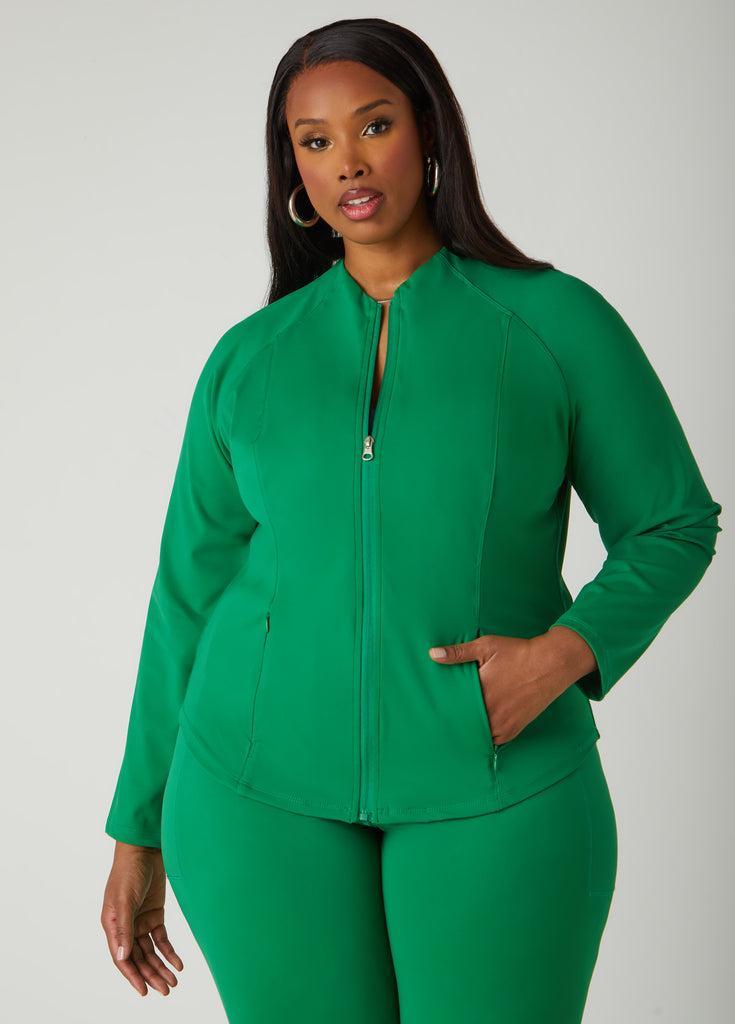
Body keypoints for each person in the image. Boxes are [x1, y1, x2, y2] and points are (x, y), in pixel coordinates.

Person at [100, 17, 723, 1024]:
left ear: (429, 131)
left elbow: (673, 522)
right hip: (252, 795)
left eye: (374, 124)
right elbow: (188, 595)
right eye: (314, 140)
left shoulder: (554, 323)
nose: (347, 160)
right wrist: (138, 828)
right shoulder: (249, 359)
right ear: (294, 172)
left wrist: (564, 654)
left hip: (500, 782)